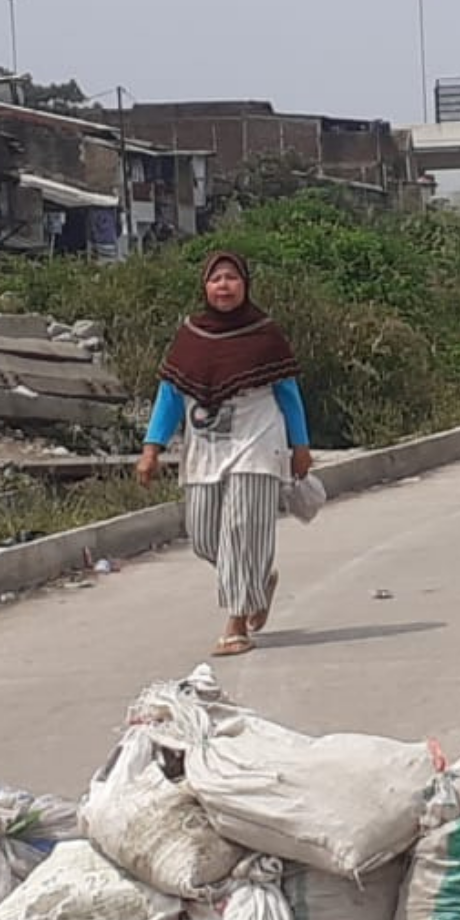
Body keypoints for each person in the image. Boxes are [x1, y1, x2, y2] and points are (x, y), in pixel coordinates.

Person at [135, 251, 313, 657]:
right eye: (217, 279)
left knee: (241, 530)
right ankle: (256, 581)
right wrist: (151, 449)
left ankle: (236, 625)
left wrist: (300, 446)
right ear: (205, 286)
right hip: (206, 446)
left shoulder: (265, 335)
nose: (224, 286)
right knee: (202, 536)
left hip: (258, 440)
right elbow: (169, 394)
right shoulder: (190, 335)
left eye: (232, 278)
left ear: (245, 285)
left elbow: (288, 392)